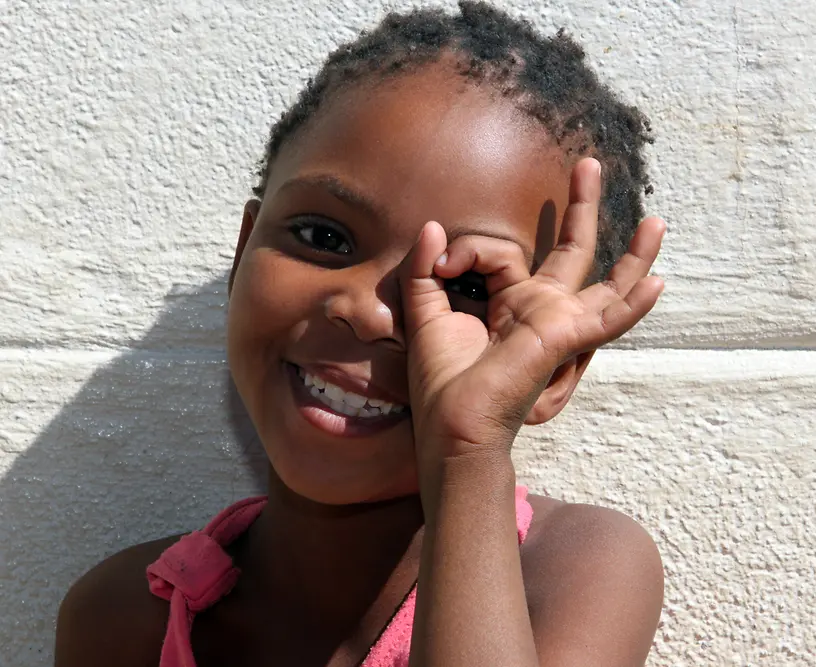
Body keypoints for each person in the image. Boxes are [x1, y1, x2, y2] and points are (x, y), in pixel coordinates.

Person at [54, 3, 667, 666]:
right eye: (325, 237)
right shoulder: (125, 617)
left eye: (464, 286)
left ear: (553, 373)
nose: (369, 311)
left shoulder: (575, 570)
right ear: (242, 253)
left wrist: (468, 452)